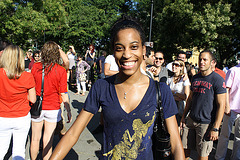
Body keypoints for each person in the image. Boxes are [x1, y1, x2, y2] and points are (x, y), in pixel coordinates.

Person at [50, 16, 185, 160]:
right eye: (119, 48)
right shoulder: (102, 87)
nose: (127, 55)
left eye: (134, 47)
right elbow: (73, 134)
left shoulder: (161, 91)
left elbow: (176, 143)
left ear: (143, 50)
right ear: (113, 52)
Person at [180, 50, 226, 160]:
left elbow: (221, 105)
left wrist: (215, 128)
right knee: (184, 149)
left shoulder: (217, 80)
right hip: (191, 119)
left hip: (206, 123)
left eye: (205, 59)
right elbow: (190, 99)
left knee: (203, 154)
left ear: (212, 62)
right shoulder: (195, 77)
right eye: (200, 59)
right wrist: (183, 117)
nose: (201, 62)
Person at [30, 41, 72, 160]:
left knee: (34, 138)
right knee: (48, 140)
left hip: (37, 106)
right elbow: (63, 93)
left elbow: (31, 86)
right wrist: (68, 110)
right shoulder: (60, 70)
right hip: (53, 108)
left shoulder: (36, 67)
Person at [0, 45, 36, 159]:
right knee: (19, 150)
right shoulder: (27, 76)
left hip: (2, 116)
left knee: (1, 149)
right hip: (21, 116)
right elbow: (33, 99)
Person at [215, 61, 240, 160]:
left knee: (239, 137)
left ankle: (236, 157)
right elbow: (226, 89)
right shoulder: (233, 70)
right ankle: (219, 157)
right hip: (231, 108)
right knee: (225, 135)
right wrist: (227, 106)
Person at [167, 59, 190, 125]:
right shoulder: (170, 79)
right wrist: (177, 96)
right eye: (173, 64)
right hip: (171, 106)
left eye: (176, 65)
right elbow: (167, 94)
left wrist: (174, 93)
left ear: (181, 67)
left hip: (180, 108)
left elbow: (186, 97)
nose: (174, 66)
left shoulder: (184, 79)